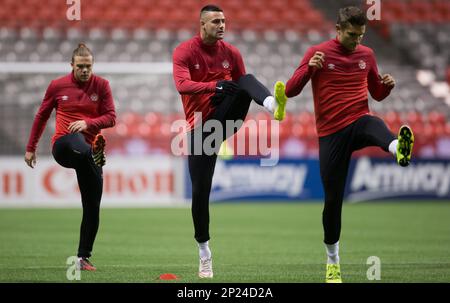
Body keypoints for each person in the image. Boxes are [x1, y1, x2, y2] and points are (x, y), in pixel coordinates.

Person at [282, 6, 414, 283]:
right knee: (332, 202)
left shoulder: (367, 54)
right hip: (331, 133)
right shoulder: (317, 53)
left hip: (358, 119)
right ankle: (333, 261)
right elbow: (291, 90)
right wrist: (309, 69)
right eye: (352, 35)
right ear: (338, 30)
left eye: (362, 35)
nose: (357, 41)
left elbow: (376, 94)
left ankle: (397, 148)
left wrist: (386, 85)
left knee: (374, 123)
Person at [172, 4, 287, 278]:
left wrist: (226, 89)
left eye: (224, 21)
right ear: (202, 25)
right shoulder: (185, 51)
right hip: (201, 129)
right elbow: (182, 85)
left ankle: (273, 105)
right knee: (200, 193)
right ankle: (205, 254)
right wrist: (215, 86)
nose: (222, 25)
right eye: (215, 21)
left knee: (245, 79)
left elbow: (243, 85)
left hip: (227, 117)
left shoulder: (232, 53)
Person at [24, 43, 116, 271]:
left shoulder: (102, 85)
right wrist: (30, 147)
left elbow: (112, 117)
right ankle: (94, 154)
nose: (85, 71)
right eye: (81, 67)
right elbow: (42, 116)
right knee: (82, 146)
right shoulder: (57, 86)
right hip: (64, 146)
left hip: (89, 152)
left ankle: (82, 258)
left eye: (89, 67)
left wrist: (89, 123)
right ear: (72, 66)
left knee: (93, 205)